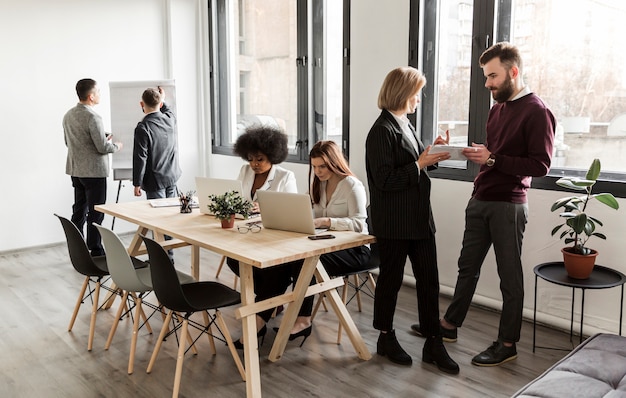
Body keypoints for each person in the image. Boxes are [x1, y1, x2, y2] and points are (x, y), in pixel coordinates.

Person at [413, 42, 555, 367]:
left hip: (509, 205)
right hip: (481, 199)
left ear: (513, 72)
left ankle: (507, 344)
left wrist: (492, 158)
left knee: (509, 277)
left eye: (492, 76)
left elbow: (540, 166)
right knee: (467, 268)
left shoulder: (537, 111)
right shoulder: (497, 108)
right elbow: (497, 155)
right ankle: (448, 326)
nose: (488, 83)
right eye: (485, 77)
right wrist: (473, 153)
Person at [365, 66, 459, 374]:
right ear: (403, 93)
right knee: (390, 281)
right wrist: (419, 162)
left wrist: (432, 154)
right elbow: (384, 181)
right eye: (416, 93)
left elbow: (413, 167)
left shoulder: (406, 124)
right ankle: (385, 336)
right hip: (393, 222)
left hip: (418, 219)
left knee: (429, 282)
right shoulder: (381, 130)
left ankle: (434, 342)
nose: (419, 99)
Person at [278, 140, 373, 341]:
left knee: (306, 262)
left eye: (322, 166)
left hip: (356, 251)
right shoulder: (318, 184)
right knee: (292, 257)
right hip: (325, 244)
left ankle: (302, 319)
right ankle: (278, 307)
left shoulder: (351, 185)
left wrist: (327, 221)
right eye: (314, 167)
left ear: (334, 162)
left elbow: (358, 223)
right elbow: (300, 206)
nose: (318, 171)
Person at [225, 124, 298, 347]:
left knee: (273, 272)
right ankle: (270, 301)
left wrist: (264, 209)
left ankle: (258, 318)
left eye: (260, 159)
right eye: (250, 159)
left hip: (275, 238)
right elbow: (237, 198)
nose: (254, 164)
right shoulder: (245, 172)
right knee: (233, 260)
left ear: (273, 156)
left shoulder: (286, 177)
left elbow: (290, 211)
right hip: (249, 233)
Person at [63, 78, 123, 256]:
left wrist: (101, 137)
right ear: (91, 96)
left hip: (76, 170)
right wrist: (117, 146)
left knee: (79, 209)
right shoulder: (93, 117)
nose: (99, 95)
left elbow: (69, 142)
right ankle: (96, 249)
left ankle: (77, 247)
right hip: (94, 172)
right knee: (96, 212)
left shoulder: (68, 115)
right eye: (98, 92)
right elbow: (103, 148)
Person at [132, 86, 181, 262]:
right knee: (169, 219)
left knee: (158, 222)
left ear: (141, 104)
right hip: (171, 177)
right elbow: (168, 110)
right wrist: (164, 98)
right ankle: (169, 256)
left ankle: (163, 259)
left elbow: (140, 158)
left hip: (155, 180)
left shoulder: (143, 127)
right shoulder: (170, 119)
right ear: (160, 104)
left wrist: (136, 183)